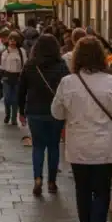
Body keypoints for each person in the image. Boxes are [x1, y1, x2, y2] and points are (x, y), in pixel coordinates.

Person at [52, 37, 112, 222]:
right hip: (106, 146)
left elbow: (56, 112)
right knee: (101, 189)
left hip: (78, 146)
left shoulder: (67, 83)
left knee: (82, 189)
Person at [19, 34, 70, 196]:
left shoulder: (30, 65)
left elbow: (21, 89)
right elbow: (68, 89)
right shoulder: (61, 66)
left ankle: (37, 179)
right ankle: (52, 182)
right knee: (53, 146)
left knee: (38, 146)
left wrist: (21, 111)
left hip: (35, 111)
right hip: (56, 112)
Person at [0, 31, 27, 126]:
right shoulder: (5, 52)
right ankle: (7, 114)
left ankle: (14, 118)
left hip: (17, 76)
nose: (12, 41)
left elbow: (25, 65)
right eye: (11, 39)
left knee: (15, 99)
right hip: (7, 76)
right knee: (7, 98)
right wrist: (2, 77)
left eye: (14, 40)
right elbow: (2, 66)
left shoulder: (21, 52)